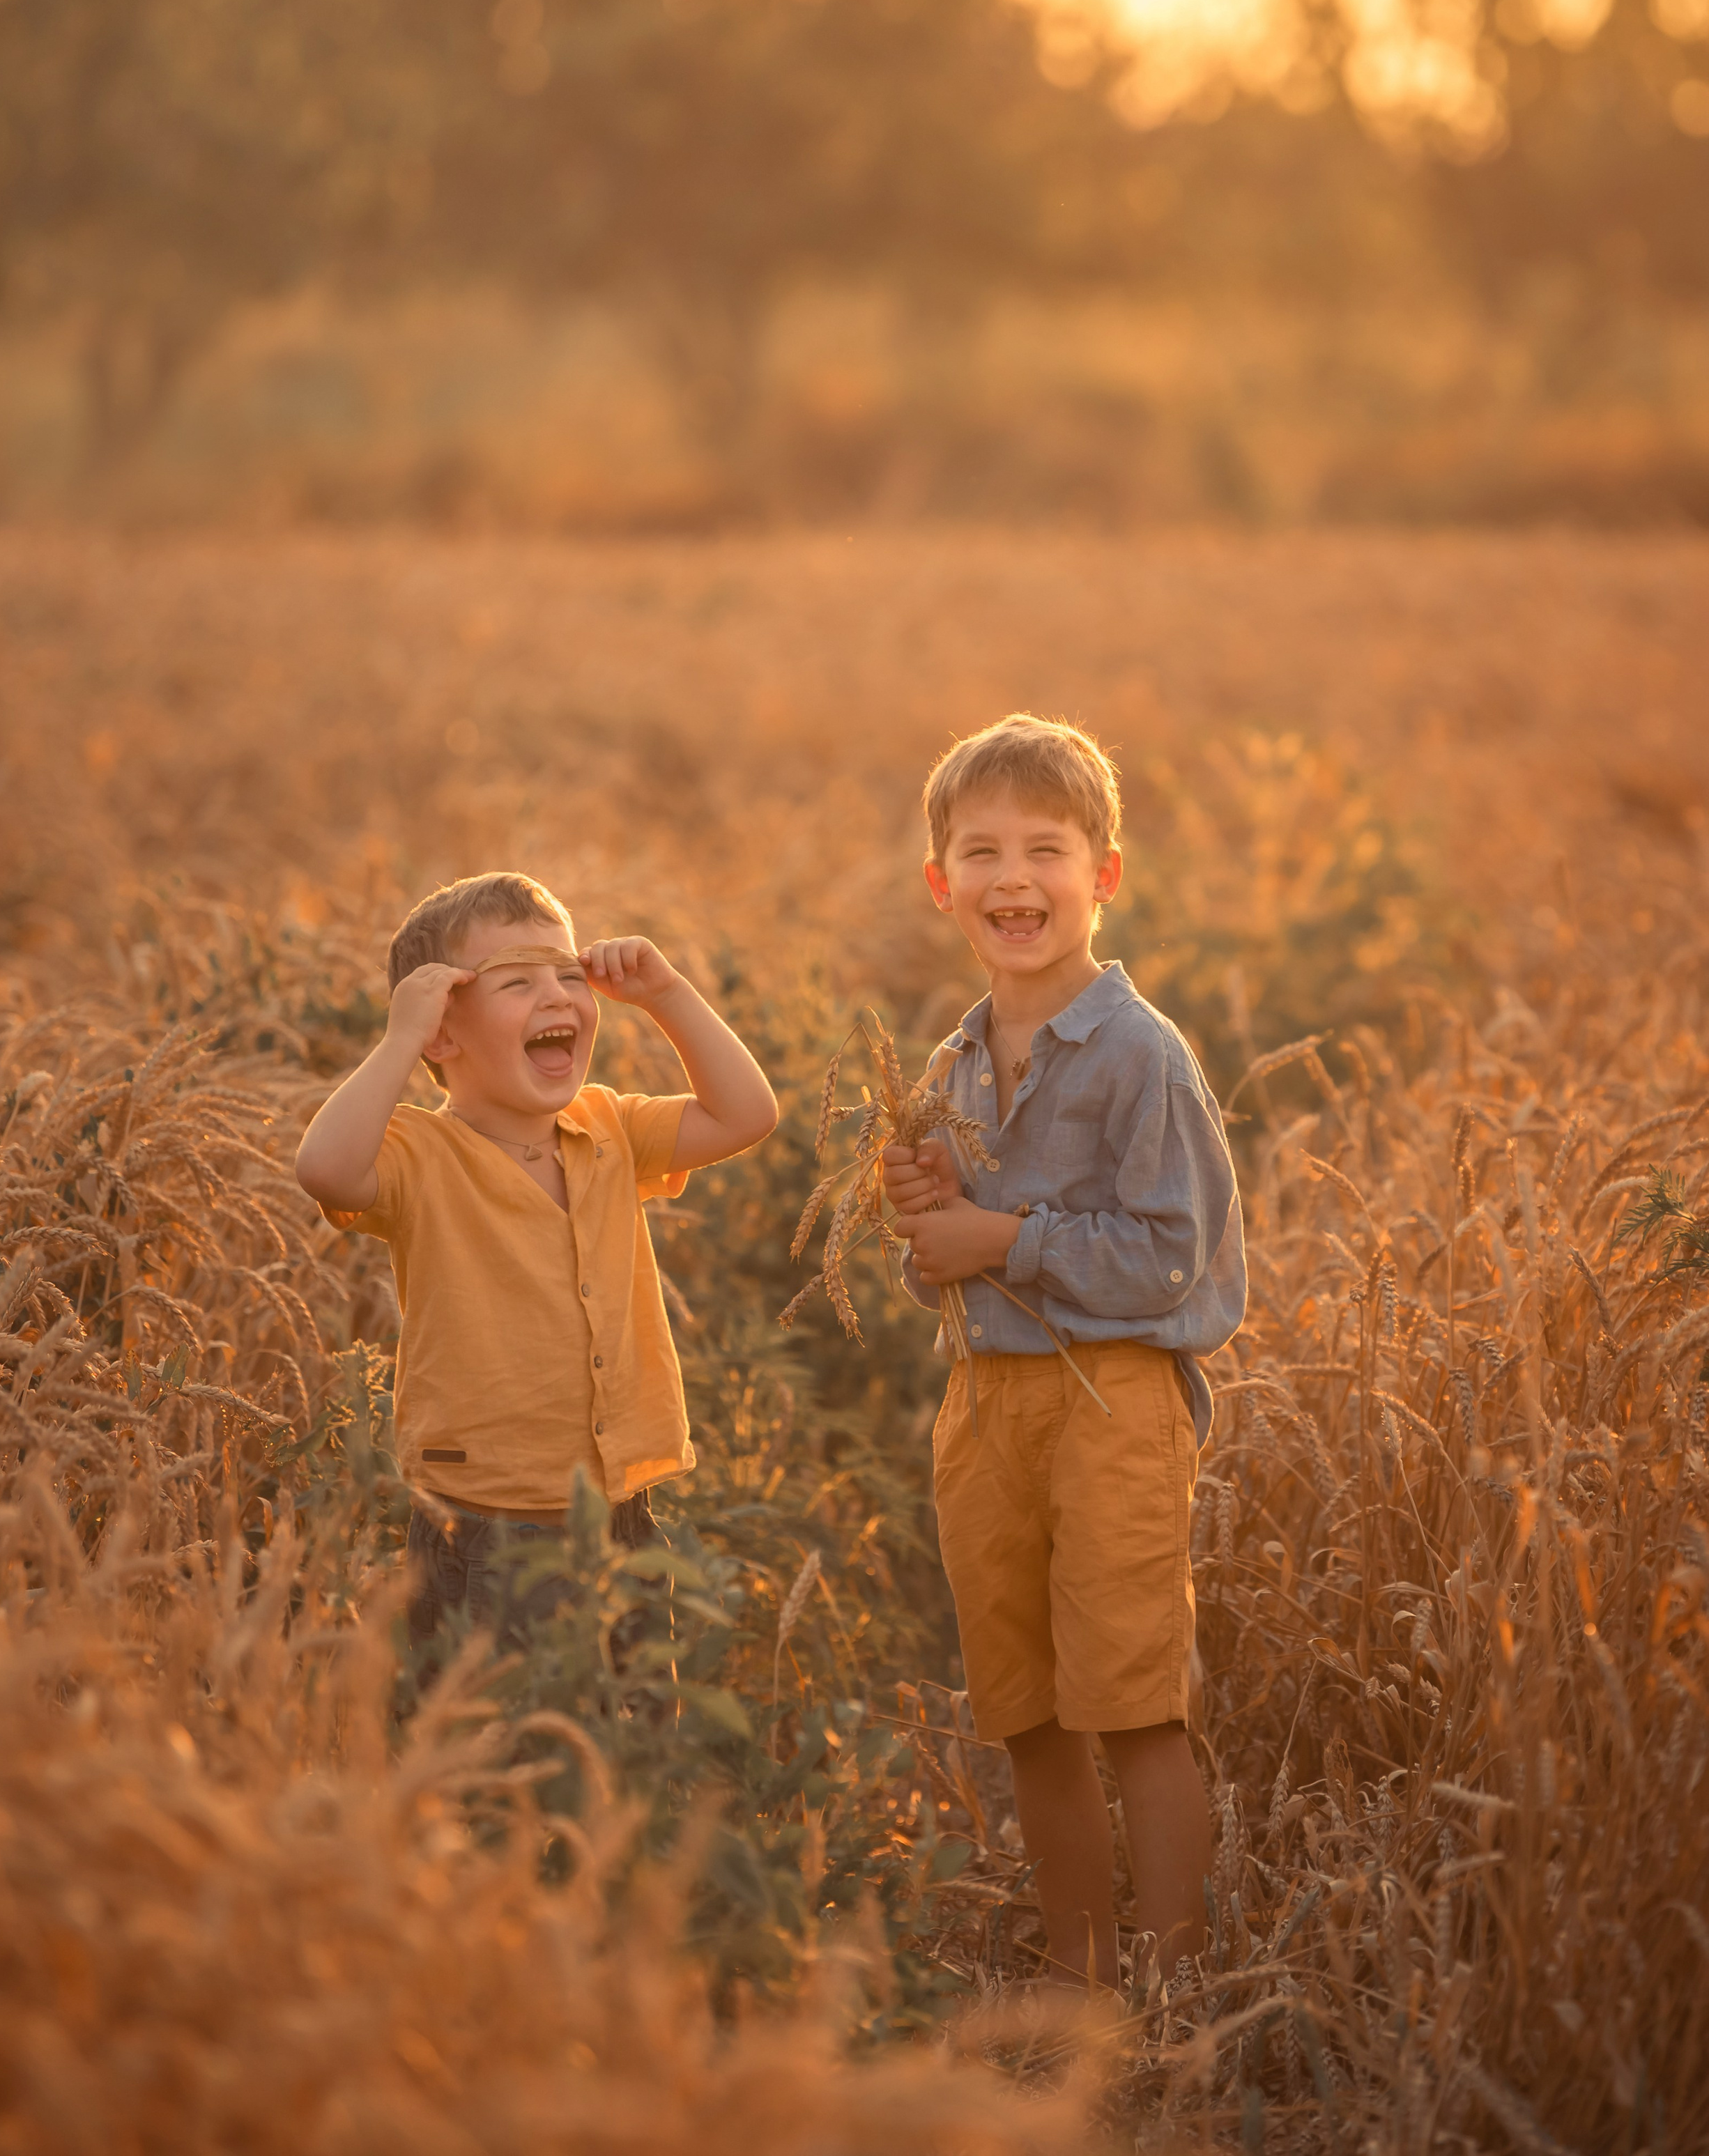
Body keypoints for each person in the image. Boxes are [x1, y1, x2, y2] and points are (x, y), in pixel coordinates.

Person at [882, 714, 1246, 1983]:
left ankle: (1185, 1994)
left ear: (1105, 876)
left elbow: (1173, 1256)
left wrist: (1002, 1236)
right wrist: (927, 1222)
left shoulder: (1142, 1055)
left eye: (1047, 849)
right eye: (980, 854)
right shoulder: (953, 1062)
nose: (1013, 880)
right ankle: (1088, 1989)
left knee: (1134, 1704)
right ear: (942, 886)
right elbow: (942, 1263)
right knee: (1027, 1711)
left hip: (1116, 1403)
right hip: (985, 1406)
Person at [294, 870, 778, 1652]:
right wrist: (398, 1040)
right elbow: (325, 1170)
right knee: (510, 1751)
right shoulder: (421, 1152)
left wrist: (667, 993)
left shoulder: (609, 1126)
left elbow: (746, 1112)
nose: (556, 996)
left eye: (567, 974)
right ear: (442, 1034)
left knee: (633, 1742)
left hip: (622, 1509)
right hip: (494, 1524)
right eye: (517, 981)